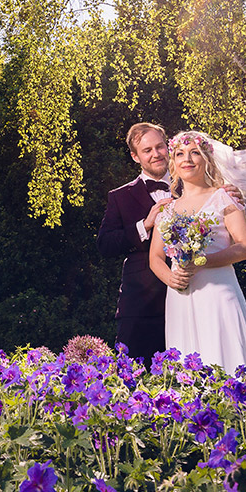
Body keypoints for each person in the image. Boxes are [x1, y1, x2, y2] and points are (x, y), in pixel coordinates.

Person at [148, 130, 246, 372]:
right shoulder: (167, 209)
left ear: (207, 160)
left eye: (195, 153)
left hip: (218, 292)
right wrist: (169, 277)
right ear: (174, 163)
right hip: (180, 295)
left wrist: (204, 262)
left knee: (224, 355)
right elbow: (155, 257)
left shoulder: (225, 198)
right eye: (180, 154)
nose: (187, 159)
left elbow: (245, 247)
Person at [97, 122, 174, 362]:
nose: (155, 154)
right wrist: (145, 225)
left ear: (168, 147)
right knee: (134, 380)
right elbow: (105, 245)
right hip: (140, 305)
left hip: (193, 296)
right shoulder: (119, 197)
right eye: (147, 150)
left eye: (159, 147)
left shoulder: (194, 188)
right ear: (135, 156)